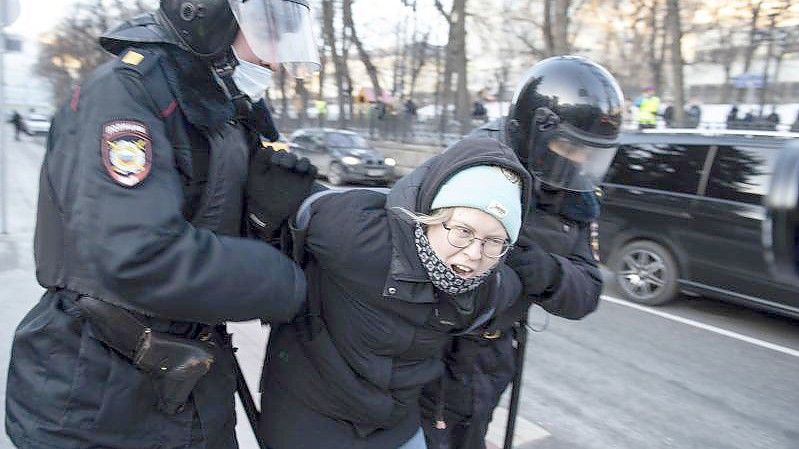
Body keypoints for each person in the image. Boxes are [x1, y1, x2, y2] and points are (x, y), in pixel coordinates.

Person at [4, 1, 321, 448]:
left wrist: (262, 218)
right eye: (268, 31)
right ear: (206, 13)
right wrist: (281, 280)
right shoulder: (127, 94)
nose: (275, 58)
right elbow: (139, 255)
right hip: (98, 395)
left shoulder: (219, 106)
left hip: (190, 384)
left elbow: (209, 227)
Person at [255, 136, 533, 449]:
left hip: (395, 424)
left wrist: (551, 273)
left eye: (493, 241)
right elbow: (291, 221)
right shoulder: (357, 237)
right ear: (432, 216)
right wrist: (265, 215)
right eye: (463, 232)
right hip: (311, 414)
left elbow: (524, 291)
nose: (473, 254)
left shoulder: (487, 288)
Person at [421, 55, 623, 449]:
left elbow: (588, 289)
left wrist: (550, 274)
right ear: (534, 130)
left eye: (588, 152)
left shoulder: (574, 198)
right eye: (569, 146)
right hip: (437, 350)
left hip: (493, 356)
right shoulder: (472, 168)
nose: (579, 160)